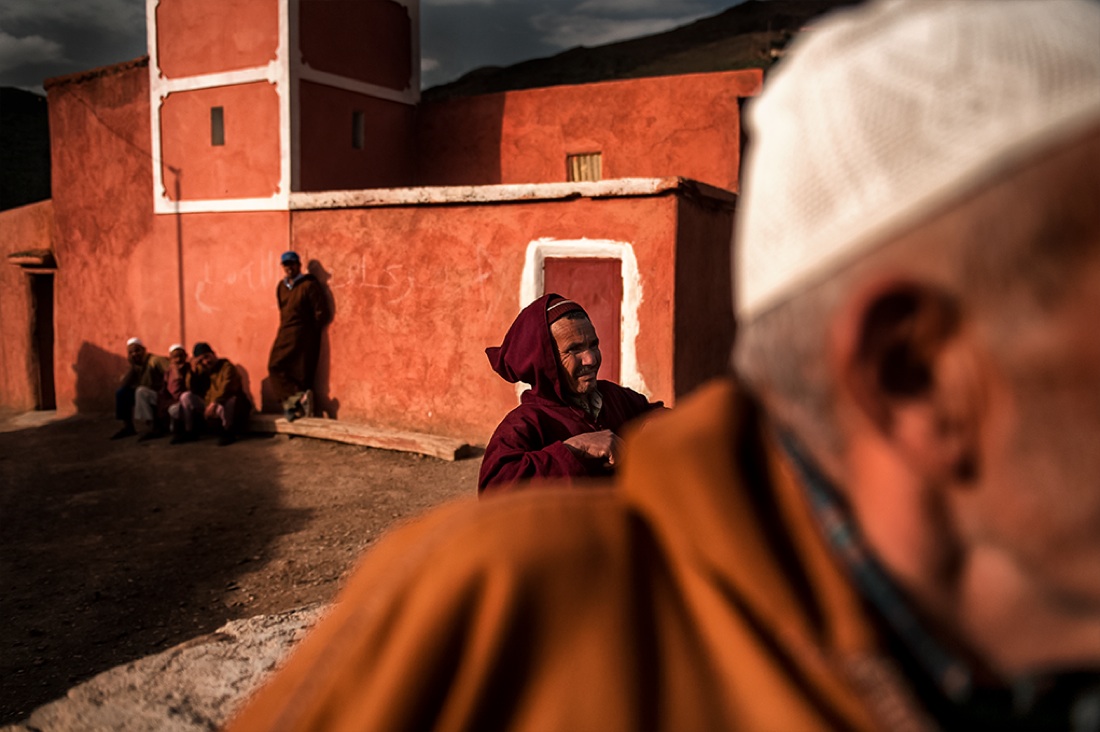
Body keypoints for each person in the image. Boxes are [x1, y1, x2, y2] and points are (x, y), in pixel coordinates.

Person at [226, 1, 1100, 729]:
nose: (589, 357)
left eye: (590, 342)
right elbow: (502, 484)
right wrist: (579, 456)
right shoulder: (485, 632)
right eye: (570, 348)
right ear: (913, 376)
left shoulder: (622, 400)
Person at [478, 294, 664, 493]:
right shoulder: (526, 422)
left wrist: (655, 427)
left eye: (593, 345)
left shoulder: (614, 396)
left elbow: (653, 413)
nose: (591, 359)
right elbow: (494, 488)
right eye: (574, 350)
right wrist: (575, 448)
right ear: (546, 361)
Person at [267, 250, 329, 422]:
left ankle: (295, 401)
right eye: (286, 265)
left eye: (292, 264)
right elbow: (282, 309)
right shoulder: (282, 286)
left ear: (299, 265)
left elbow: (321, 312)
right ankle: (297, 399)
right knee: (276, 366)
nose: (289, 268)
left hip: (302, 332)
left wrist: (309, 331)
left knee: (297, 368)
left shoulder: (308, 285)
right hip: (285, 330)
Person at [171, 342, 250, 446]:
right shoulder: (202, 370)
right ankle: (189, 431)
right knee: (186, 397)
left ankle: (228, 432)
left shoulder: (227, 367)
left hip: (227, 404)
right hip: (209, 404)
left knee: (229, 401)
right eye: (201, 360)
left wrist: (214, 403)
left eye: (207, 357)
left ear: (214, 354)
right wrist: (193, 371)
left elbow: (226, 388)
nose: (206, 361)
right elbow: (191, 388)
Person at [111, 337, 168, 440]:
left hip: (160, 395)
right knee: (122, 393)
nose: (134, 354)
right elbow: (124, 384)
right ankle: (128, 427)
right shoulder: (136, 366)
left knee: (141, 391)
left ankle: (153, 428)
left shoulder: (155, 360)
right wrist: (132, 367)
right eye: (131, 352)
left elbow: (170, 371)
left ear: (144, 350)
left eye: (137, 350)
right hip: (144, 395)